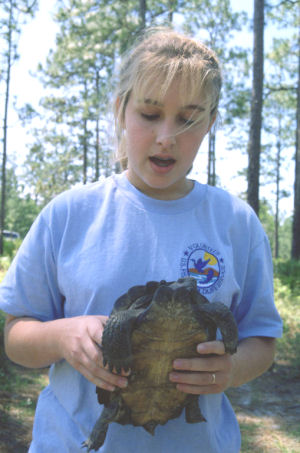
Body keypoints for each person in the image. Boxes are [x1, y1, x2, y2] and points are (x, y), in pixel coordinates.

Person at [0, 27, 282, 453]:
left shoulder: (235, 223)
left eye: (188, 118)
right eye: (150, 114)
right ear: (120, 110)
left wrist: (232, 368)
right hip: (71, 442)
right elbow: (16, 335)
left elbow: (261, 338)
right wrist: (62, 336)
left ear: (210, 123)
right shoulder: (70, 214)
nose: (166, 136)